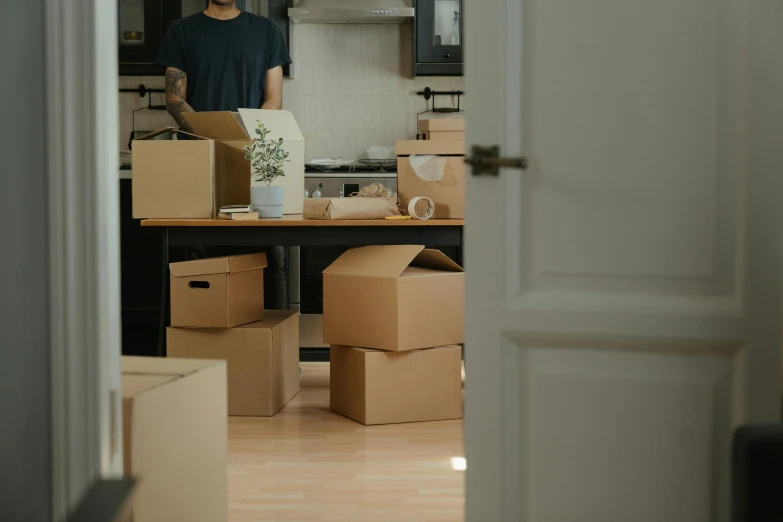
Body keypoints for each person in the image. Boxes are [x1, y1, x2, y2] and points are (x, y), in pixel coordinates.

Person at [156, 0, 292, 310]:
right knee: (201, 254)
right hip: (202, 160)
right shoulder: (182, 31)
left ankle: (273, 345)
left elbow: (273, 99)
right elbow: (176, 100)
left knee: (271, 255)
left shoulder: (267, 30)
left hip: (255, 159)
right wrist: (214, 135)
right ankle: (201, 339)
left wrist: (243, 137)